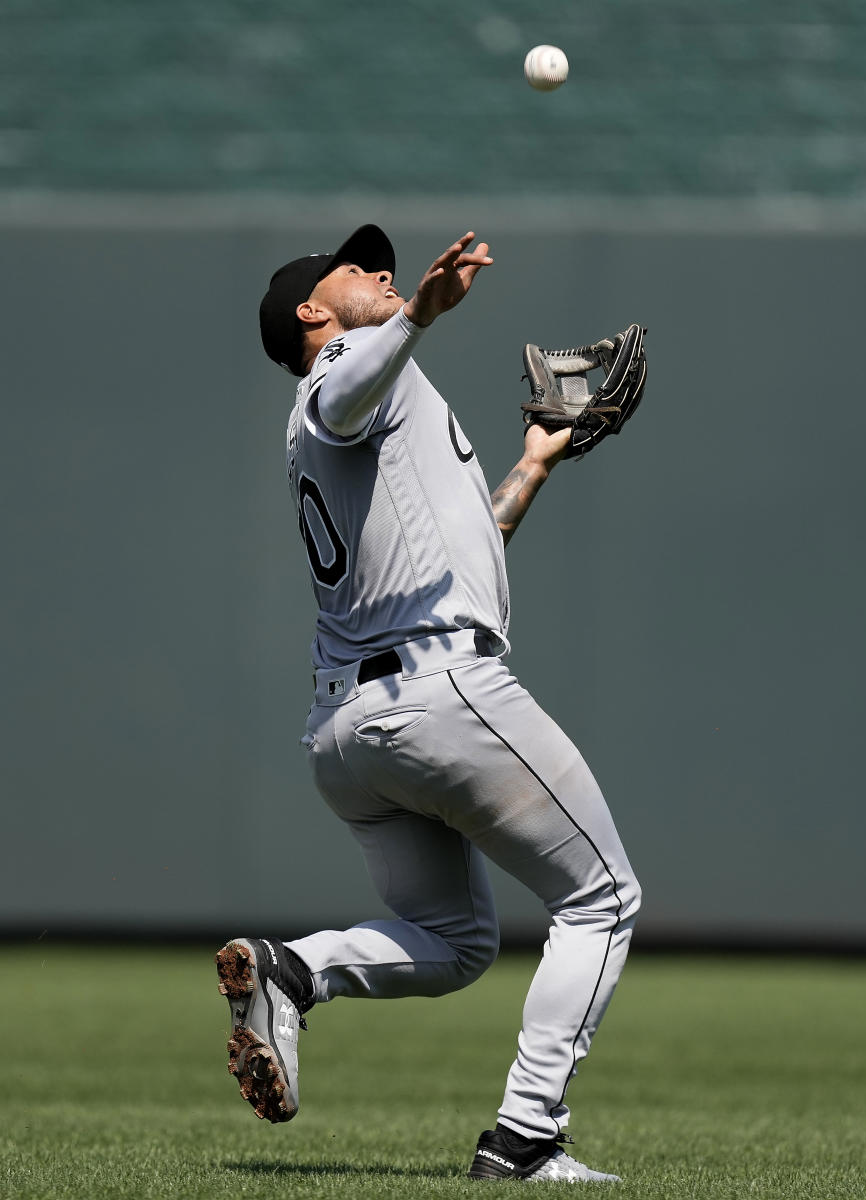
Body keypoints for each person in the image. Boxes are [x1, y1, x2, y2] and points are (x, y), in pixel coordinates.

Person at [216, 225, 641, 1183]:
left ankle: (294, 971)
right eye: (356, 268)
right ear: (313, 313)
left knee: (456, 944)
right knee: (603, 897)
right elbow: (338, 393)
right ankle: (528, 1136)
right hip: (436, 694)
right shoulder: (341, 379)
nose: (379, 268)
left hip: (353, 727)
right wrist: (415, 313)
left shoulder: (382, 392)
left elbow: (460, 555)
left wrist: (534, 463)